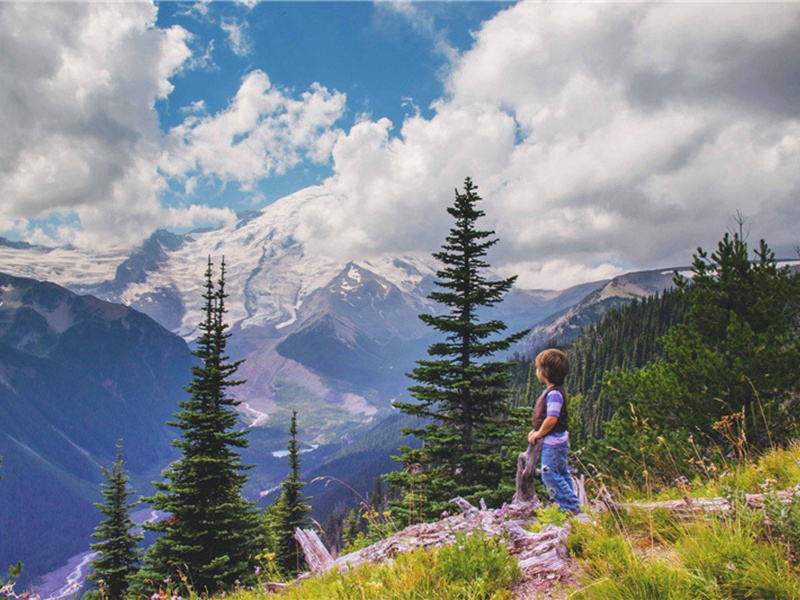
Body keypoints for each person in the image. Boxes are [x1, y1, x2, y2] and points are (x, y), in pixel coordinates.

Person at [527, 348, 581, 514]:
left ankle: (571, 506)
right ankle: (569, 504)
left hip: (554, 443)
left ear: (545, 372)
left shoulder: (554, 394)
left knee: (549, 474)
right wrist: (535, 430)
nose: (536, 371)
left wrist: (539, 433)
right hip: (557, 441)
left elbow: (551, 419)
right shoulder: (551, 391)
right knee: (562, 472)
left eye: (538, 368)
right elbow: (545, 417)